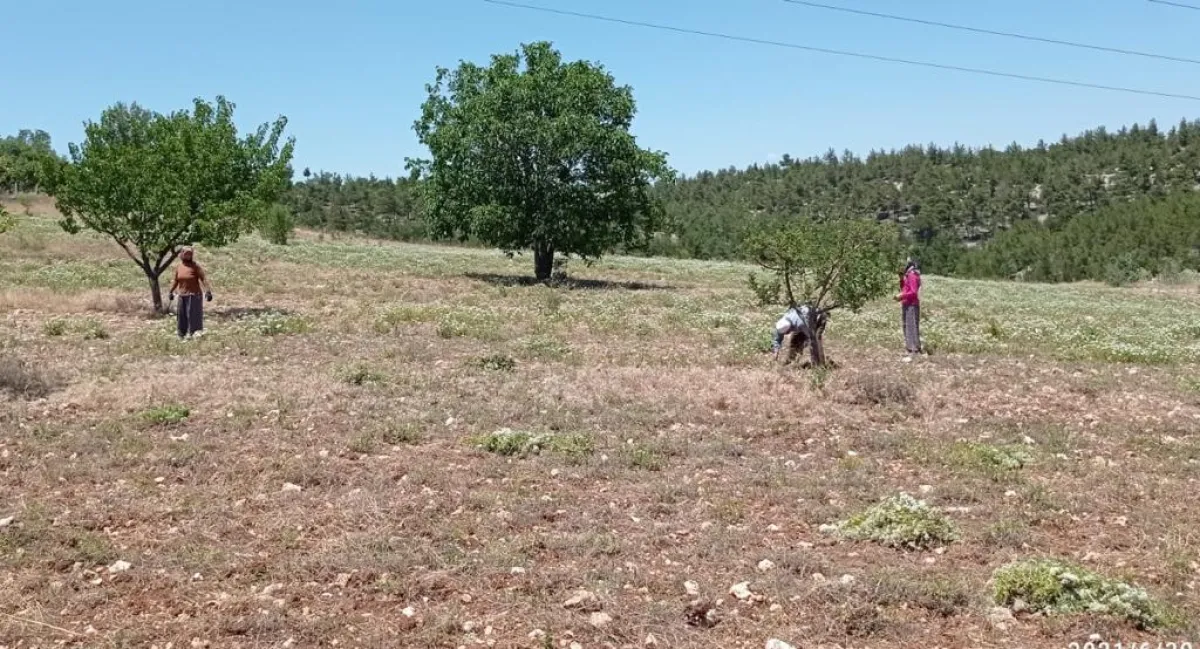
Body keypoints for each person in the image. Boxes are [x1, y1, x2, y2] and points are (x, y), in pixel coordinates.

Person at [167, 247, 213, 339]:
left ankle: (195, 334)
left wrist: (208, 291)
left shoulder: (195, 266)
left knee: (193, 316)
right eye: (186, 254)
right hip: (182, 295)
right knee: (182, 316)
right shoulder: (179, 267)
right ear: (182, 255)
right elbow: (176, 281)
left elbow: (203, 279)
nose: (188, 256)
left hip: (194, 295)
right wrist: (171, 291)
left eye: (190, 254)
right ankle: (181, 335)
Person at [896, 257, 922, 354]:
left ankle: (914, 348)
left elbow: (913, 292)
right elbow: (904, 288)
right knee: (907, 325)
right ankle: (910, 347)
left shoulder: (912, 275)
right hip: (907, 303)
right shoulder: (908, 275)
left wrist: (902, 296)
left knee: (911, 326)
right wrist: (901, 279)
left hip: (911, 304)